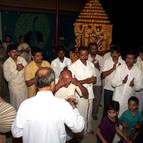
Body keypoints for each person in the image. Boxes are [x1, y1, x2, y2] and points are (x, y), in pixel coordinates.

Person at [11, 67, 84, 143]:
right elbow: (78, 127)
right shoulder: (63, 105)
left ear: (36, 84)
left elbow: (16, 133)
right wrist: (74, 108)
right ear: (53, 84)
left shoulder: (25, 105)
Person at [69, 46, 96, 134]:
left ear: (88, 54)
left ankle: (88, 128)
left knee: (89, 112)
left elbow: (94, 78)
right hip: (80, 93)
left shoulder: (91, 64)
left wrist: (93, 79)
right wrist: (86, 80)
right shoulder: (73, 66)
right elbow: (72, 82)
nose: (84, 57)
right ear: (78, 55)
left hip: (90, 92)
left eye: (86, 55)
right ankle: (81, 132)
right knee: (81, 113)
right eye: (82, 55)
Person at [112, 50, 143, 116]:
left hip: (128, 100)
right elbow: (113, 83)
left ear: (134, 60)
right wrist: (122, 82)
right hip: (117, 98)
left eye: (131, 58)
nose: (128, 60)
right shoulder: (120, 68)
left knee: (123, 117)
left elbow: (139, 87)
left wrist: (133, 85)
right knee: (113, 116)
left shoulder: (138, 71)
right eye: (127, 58)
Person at [3, 44, 27, 110]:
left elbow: (27, 70)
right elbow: (7, 78)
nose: (15, 53)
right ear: (8, 53)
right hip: (14, 88)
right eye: (13, 52)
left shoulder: (22, 59)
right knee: (16, 105)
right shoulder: (6, 63)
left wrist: (23, 68)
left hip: (23, 86)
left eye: (16, 51)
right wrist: (16, 70)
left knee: (24, 104)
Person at [102, 45, 124, 114]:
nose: (114, 55)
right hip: (108, 88)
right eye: (112, 53)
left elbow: (124, 76)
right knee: (106, 107)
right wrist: (113, 69)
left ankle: (114, 123)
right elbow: (103, 75)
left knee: (115, 108)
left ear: (119, 53)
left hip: (118, 89)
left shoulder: (123, 62)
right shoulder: (107, 61)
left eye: (116, 53)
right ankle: (104, 123)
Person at [88, 42, 103, 120]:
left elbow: (103, 72)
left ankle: (94, 114)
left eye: (95, 48)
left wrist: (98, 67)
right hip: (89, 82)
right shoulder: (86, 57)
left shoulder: (100, 58)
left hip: (98, 83)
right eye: (92, 49)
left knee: (97, 100)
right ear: (89, 49)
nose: (94, 50)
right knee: (89, 99)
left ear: (97, 49)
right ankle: (88, 113)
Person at [135, 46, 143, 110]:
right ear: (139, 53)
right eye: (141, 54)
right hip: (138, 87)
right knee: (138, 104)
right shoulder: (135, 61)